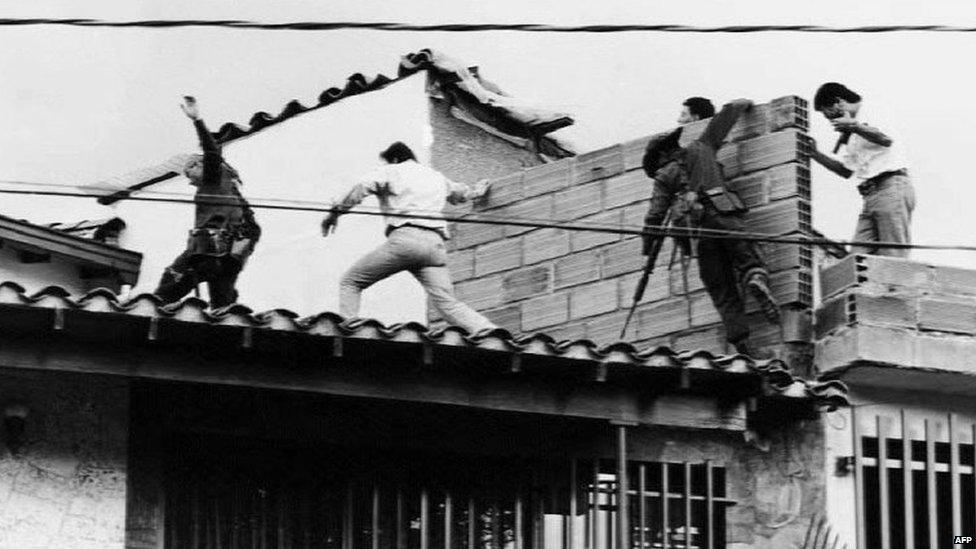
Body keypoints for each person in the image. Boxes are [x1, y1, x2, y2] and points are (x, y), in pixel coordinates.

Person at [641, 99, 780, 356]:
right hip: (722, 213)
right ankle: (755, 278)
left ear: (660, 157)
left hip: (694, 232)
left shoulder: (664, 176)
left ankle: (741, 344)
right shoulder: (702, 147)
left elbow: (654, 216)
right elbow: (727, 114)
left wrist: (647, 248)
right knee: (747, 256)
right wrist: (744, 103)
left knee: (720, 286)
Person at [321, 142, 497, 336]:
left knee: (350, 282)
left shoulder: (391, 171)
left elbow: (361, 187)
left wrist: (334, 213)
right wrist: (478, 190)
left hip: (406, 241)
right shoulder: (436, 176)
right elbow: (462, 194)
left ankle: (348, 331)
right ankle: (487, 331)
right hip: (435, 246)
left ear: (395, 159)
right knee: (448, 303)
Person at [154, 96, 261, 308]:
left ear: (201, 165)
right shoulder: (231, 189)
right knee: (222, 305)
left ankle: (150, 308)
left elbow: (212, 152)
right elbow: (253, 229)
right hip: (230, 255)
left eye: (190, 170)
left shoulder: (213, 177)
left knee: (170, 282)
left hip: (209, 250)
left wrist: (197, 120)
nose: (188, 177)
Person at [809, 82, 915, 257]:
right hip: (871, 195)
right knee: (857, 259)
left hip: (891, 188)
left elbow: (886, 139)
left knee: (893, 256)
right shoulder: (852, 134)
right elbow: (845, 171)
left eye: (829, 116)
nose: (831, 121)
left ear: (838, 103)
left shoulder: (871, 110)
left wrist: (854, 126)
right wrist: (815, 154)